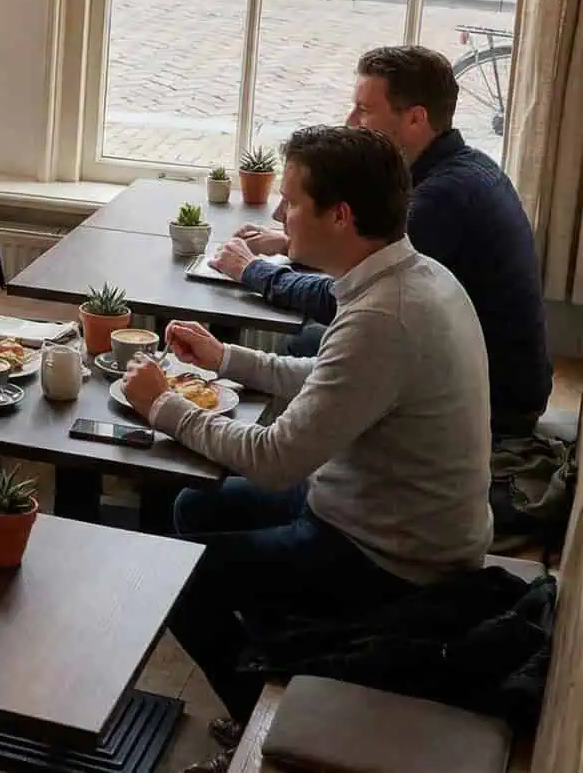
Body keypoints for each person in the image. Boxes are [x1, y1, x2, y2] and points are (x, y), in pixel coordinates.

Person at [120, 126, 492, 773]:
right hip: (376, 513)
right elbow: (332, 379)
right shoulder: (410, 278)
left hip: (393, 559)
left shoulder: (385, 315)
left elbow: (275, 459)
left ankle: (263, 717)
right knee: (195, 506)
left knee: (179, 577)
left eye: (291, 201)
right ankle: (281, 654)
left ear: (340, 215)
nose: (278, 213)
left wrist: (163, 406)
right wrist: (226, 358)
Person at [208, 45, 550, 439]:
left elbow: (345, 300)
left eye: (364, 110)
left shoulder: (439, 200)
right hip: (493, 379)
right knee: (307, 341)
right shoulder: (465, 168)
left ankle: (281, 444)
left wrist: (252, 271)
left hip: (494, 406)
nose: (350, 121)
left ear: (416, 119)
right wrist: (289, 244)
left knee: (303, 344)